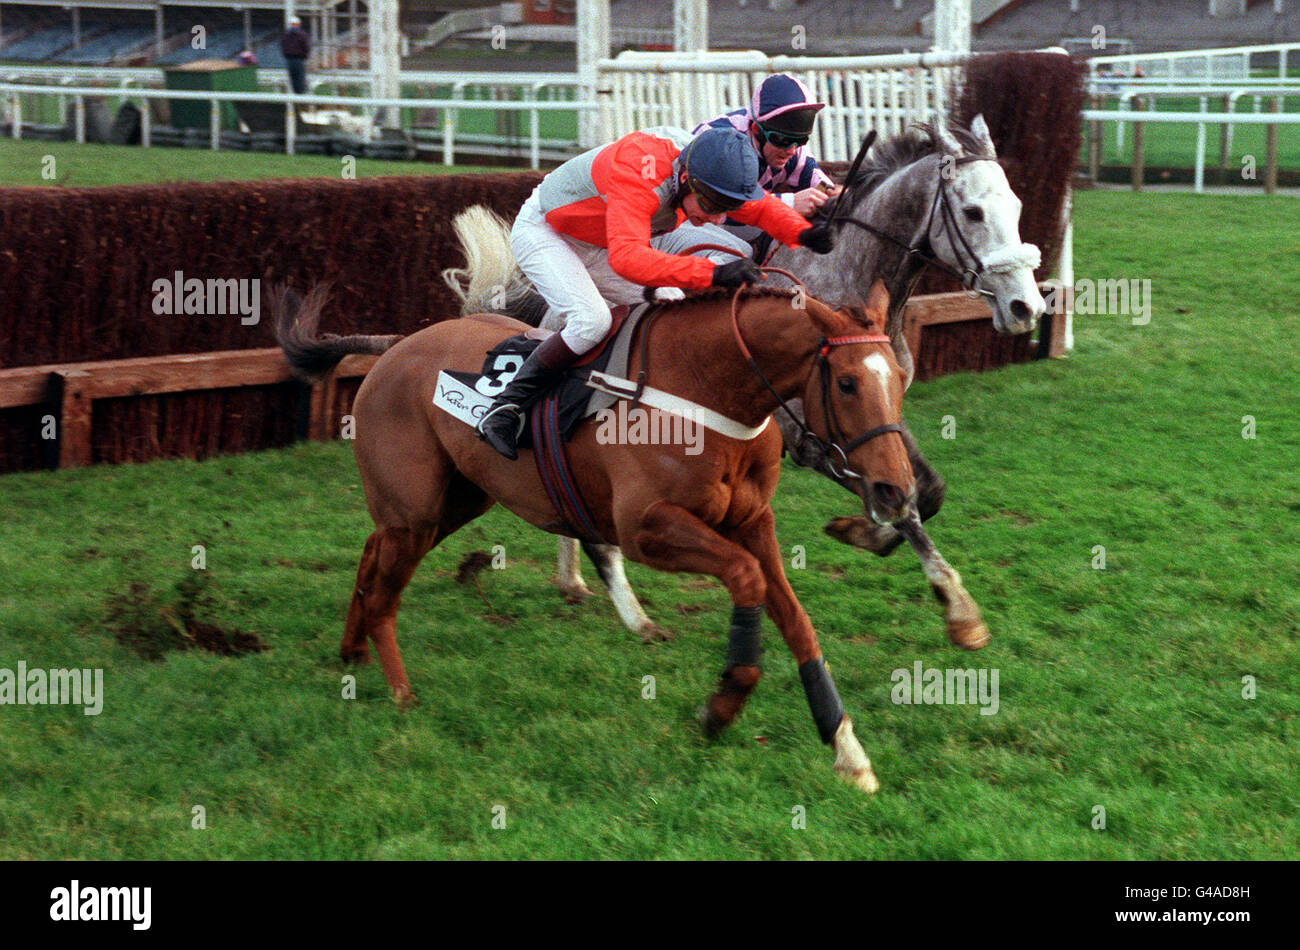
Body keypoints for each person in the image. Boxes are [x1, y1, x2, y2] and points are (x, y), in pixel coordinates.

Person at [476, 124, 836, 460]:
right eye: (711, 207)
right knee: (592, 321)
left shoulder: (705, 173)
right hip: (547, 233)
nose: (714, 219)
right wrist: (713, 273)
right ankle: (504, 410)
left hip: (600, 240)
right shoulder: (640, 172)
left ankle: (646, 415)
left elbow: (756, 206)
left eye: (724, 210)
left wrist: (802, 234)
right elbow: (629, 259)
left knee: (671, 307)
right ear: (684, 179)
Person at [693, 73, 842, 243]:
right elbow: (723, 204)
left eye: (801, 141)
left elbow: (823, 186)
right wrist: (790, 203)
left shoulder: (791, 146)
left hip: (722, 224)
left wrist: (836, 194)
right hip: (685, 220)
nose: (792, 151)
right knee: (740, 253)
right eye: (783, 141)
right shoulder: (725, 141)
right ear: (756, 129)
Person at [281, 16, 311, 94]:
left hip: (299, 59)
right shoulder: (287, 35)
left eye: (295, 24)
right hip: (290, 59)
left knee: (300, 79)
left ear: (298, 25)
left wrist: (303, 56)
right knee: (293, 80)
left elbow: (306, 47)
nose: (293, 26)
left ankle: (301, 96)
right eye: (292, 24)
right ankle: (296, 95)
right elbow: (283, 46)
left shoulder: (302, 35)